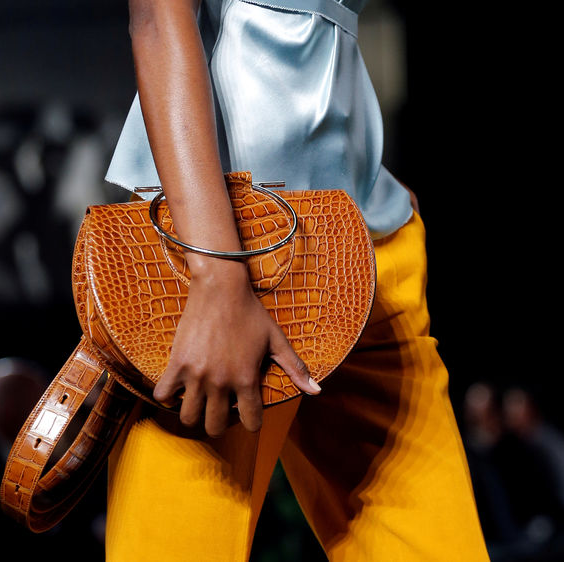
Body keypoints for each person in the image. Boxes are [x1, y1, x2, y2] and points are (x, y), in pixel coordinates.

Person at [102, 1, 489, 560]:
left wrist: (366, 176)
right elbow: (159, 18)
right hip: (233, 247)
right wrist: (214, 269)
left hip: (366, 242)